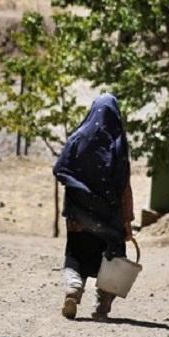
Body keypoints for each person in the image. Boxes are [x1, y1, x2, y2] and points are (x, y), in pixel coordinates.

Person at [52, 93, 134, 320]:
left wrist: (77, 197)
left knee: (76, 254)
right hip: (108, 216)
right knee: (113, 258)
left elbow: (61, 169)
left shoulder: (77, 138)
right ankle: (103, 306)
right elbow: (123, 185)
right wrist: (127, 220)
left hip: (78, 214)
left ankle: (73, 288)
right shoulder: (117, 143)